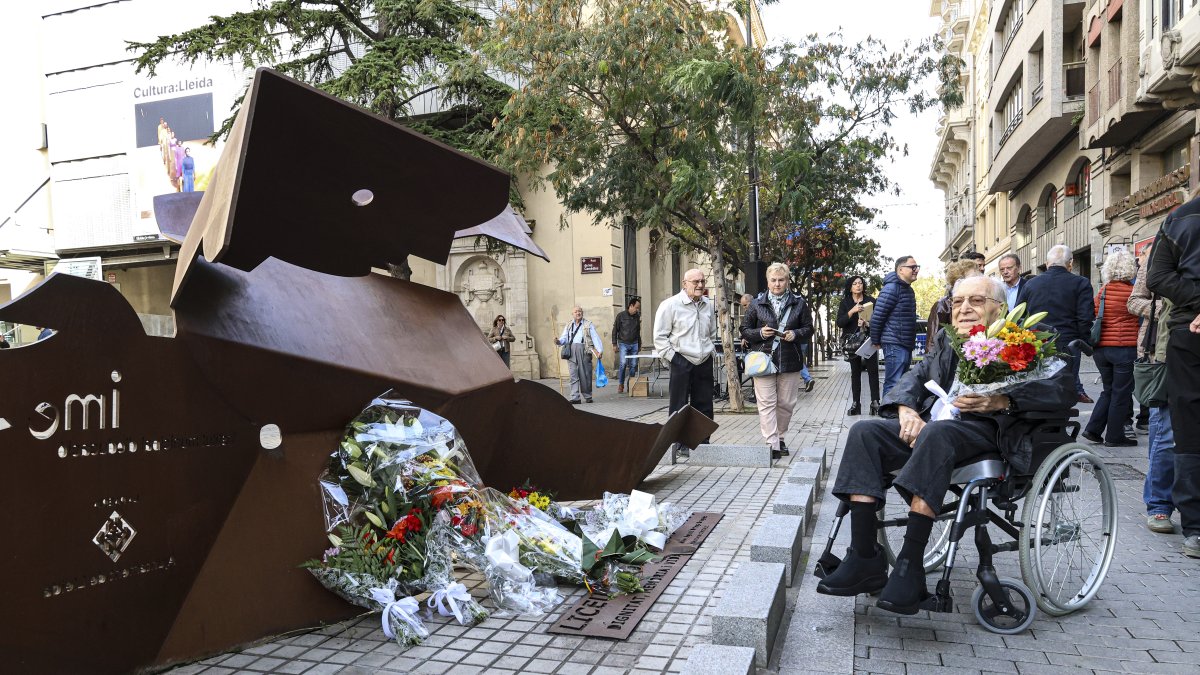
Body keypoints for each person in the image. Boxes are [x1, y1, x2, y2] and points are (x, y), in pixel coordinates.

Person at [817, 275, 1075, 612]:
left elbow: (1063, 389)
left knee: (937, 435)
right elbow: (916, 375)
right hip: (937, 430)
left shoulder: (1023, 339)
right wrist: (906, 408)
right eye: (958, 302)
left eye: (976, 301)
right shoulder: (947, 340)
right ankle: (864, 557)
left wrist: (1002, 401)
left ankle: (910, 568)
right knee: (865, 432)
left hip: (992, 436)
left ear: (1000, 308)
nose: (964, 308)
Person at [1147, 189, 1200, 558]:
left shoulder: (1179, 218)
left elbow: (1158, 276)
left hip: (1187, 331)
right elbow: (1156, 278)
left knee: (1188, 428)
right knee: (1185, 428)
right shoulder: (1181, 218)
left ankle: (1195, 529)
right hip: (1188, 333)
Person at [741, 262, 814, 459]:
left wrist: (795, 334)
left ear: (787, 281)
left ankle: (781, 437)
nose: (777, 284)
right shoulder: (757, 303)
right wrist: (760, 333)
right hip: (763, 359)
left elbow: (809, 328)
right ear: (767, 281)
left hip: (790, 360)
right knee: (766, 403)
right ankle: (772, 444)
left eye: (781, 280)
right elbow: (744, 330)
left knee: (786, 403)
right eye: (773, 280)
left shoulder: (799, 303)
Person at [1128, 242, 1176, 533]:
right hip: (1160, 352)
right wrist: (1167, 309)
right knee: (1164, 431)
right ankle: (1159, 503)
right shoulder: (1158, 257)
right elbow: (1134, 301)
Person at [1016, 244, 1095, 403]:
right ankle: (1062, 421)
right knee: (1065, 387)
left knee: (1039, 384)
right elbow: (1085, 318)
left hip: (1037, 342)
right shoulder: (1081, 283)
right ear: (1070, 263)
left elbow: (1019, 316)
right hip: (1068, 343)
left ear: (1047, 263)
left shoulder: (1030, 284)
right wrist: (1087, 342)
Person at [654, 268, 717, 455]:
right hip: (681, 359)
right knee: (679, 404)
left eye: (702, 282)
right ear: (684, 284)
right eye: (695, 282)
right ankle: (679, 443)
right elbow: (659, 337)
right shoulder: (670, 305)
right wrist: (675, 359)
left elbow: (712, 333)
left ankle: (702, 442)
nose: (700, 285)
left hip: (704, 359)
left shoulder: (708, 305)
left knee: (704, 403)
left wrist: (710, 350)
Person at [1080, 250, 1139, 447]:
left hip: (1101, 349)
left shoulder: (1102, 291)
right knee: (1121, 393)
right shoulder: (1133, 292)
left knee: (1108, 390)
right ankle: (1114, 436)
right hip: (1124, 349)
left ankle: (1093, 430)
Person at [871, 256, 919, 397]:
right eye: (912, 267)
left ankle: (895, 414)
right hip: (894, 343)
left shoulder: (907, 290)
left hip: (904, 342)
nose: (916, 270)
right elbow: (877, 316)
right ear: (900, 270)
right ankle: (887, 414)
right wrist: (876, 340)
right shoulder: (891, 289)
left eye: (917, 267)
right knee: (893, 382)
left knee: (901, 383)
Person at [836, 275, 879, 416]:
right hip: (852, 343)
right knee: (855, 373)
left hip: (868, 341)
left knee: (873, 371)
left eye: (860, 283)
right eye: (855, 283)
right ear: (850, 286)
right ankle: (856, 404)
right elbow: (840, 322)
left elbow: (878, 321)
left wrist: (866, 323)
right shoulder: (846, 302)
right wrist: (852, 311)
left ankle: (875, 402)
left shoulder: (871, 301)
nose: (858, 286)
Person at [925, 260, 979, 355]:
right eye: (973, 277)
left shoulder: (981, 301)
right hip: (952, 358)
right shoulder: (942, 305)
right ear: (959, 280)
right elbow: (932, 342)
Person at [556, 306, 603, 404]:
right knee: (573, 374)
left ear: (582, 313)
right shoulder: (569, 325)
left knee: (585, 374)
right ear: (572, 314)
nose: (578, 313)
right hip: (571, 351)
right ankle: (575, 397)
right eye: (576, 312)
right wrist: (558, 341)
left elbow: (595, 338)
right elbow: (564, 338)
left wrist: (599, 351)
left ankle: (587, 396)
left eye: (580, 311)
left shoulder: (588, 324)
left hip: (584, 350)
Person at [611, 298, 642, 394]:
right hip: (623, 343)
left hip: (634, 344)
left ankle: (631, 385)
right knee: (623, 363)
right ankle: (621, 384)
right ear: (631, 306)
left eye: (638, 308)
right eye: (636, 308)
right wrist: (614, 344)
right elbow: (615, 330)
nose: (637, 310)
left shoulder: (637, 316)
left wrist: (639, 344)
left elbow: (638, 331)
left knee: (633, 365)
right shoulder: (621, 316)